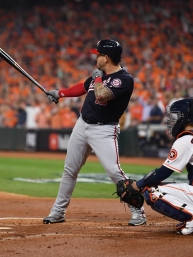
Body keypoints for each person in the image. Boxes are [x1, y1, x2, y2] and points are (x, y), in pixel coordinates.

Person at [44, 39, 147, 226]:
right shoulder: (98, 75)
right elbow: (83, 88)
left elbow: (101, 94)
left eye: (98, 55)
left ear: (106, 58)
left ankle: (138, 211)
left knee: (115, 172)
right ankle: (58, 211)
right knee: (70, 170)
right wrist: (59, 93)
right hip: (82, 125)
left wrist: (98, 78)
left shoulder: (124, 79)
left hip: (104, 130)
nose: (96, 57)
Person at [125, 98, 193, 235]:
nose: (172, 120)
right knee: (170, 186)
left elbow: (164, 172)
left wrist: (138, 184)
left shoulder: (187, 139)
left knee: (151, 191)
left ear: (187, 117)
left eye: (176, 116)